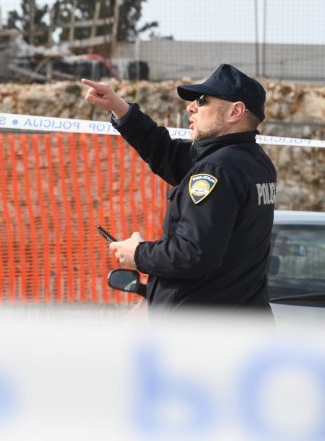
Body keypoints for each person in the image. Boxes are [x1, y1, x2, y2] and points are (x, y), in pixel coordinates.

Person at [82, 63, 276, 316]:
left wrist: (138, 253)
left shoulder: (217, 170)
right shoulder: (253, 160)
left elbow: (193, 255)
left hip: (202, 332)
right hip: (232, 322)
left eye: (203, 101)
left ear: (235, 112)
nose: (191, 107)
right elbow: (166, 153)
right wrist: (120, 108)